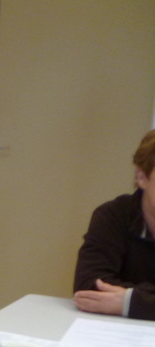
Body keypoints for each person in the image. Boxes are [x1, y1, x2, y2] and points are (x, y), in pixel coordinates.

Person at [73, 129, 155, 320]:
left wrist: (131, 302)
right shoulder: (113, 215)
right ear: (142, 177)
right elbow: (89, 286)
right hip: (116, 333)